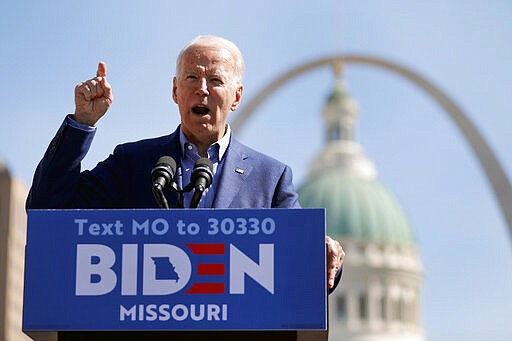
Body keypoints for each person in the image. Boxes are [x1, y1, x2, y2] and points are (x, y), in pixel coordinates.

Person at [26, 35, 344, 291]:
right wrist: (83, 122)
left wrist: (324, 256)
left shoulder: (270, 178)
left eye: (215, 80)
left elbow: (306, 264)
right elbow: (47, 209)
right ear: (176, 91)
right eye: (191, 77)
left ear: (237, 96)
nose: (201, 89)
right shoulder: (132, 162)